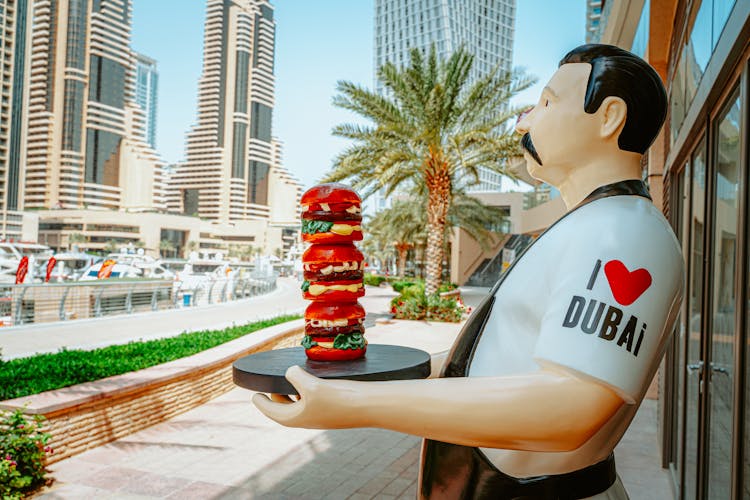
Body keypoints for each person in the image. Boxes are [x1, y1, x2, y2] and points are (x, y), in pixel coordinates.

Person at [253, 44, 684, 499]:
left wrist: (353, 404)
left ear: (609, 117)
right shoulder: (591, 225)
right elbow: (502, 362)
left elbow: (574, 404)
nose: (523, 120)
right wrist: (372, 376)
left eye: (547, 103)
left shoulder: (623, 235)